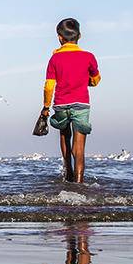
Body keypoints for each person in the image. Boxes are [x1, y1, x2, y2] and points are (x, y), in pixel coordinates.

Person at [43, 18, 101, 183]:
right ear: (80, 35)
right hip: (81, 104)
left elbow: (49, 86)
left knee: (64, 134)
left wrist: (46, 107)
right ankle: (79, 182)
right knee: (80, 147)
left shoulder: (54, 59)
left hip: (61, 104)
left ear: (60, 38)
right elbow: (96, 80)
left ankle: (68, 171)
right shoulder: (88, 57)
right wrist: (87, 81)